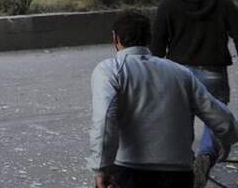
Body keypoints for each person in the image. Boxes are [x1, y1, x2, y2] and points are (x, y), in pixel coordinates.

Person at [90, 11, 238, 188]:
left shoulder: (110, 70)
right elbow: (221, 116)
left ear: (115, 38)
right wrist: (225, 140)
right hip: (179, 173)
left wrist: (101, 168)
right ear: (149, 38)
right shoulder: (180, 72)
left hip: (130, 171)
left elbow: (105, 119)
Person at [151, 0, 238, 184]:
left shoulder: (168, 4)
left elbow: (158, 43)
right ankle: (206, 155)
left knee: (181, 117)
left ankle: (184, 160)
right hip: (213, 69)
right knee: (215, 115)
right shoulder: (221, 0)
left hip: (178, 70)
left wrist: (154, 71)